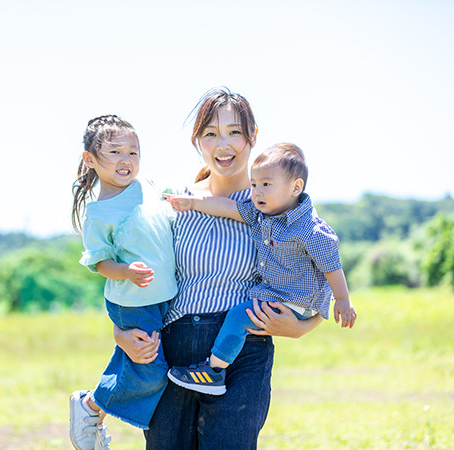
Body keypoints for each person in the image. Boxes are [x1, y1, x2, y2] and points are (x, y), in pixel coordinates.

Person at [112, 87, 324, 449]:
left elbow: (316, 268)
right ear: (198, 141)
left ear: (252, 137)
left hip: (243, 352)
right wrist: (121, 333)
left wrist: (306, 325)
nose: (222, 144)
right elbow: (140, 275)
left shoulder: (275, 203)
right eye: (210, 133)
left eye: (234, 132)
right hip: (171, 349)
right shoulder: (175, 200)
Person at [164, 142, 357, 395]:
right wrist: (193, 203)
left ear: (295, 187)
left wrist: (342, 300)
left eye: (266, 184)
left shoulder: (309, 229)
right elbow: (230, 208)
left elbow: (331, 265)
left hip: (293, 301)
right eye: (254, 185)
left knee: (238, 317)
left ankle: (212, 371)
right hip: (280, 297)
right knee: (242, 317)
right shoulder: (261, 215)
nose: (257, 192)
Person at [68, 115, 177, 450]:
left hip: (164, 296)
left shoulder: (150, 187)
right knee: (150, 368)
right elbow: (100, 263)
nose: (126, 160)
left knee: (141, 360)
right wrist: (127, 271)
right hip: (132, 299)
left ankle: (93, 407)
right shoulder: (99, 213)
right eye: (115, 152)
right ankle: (91, 407)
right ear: (90, 159)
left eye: (133, 152)